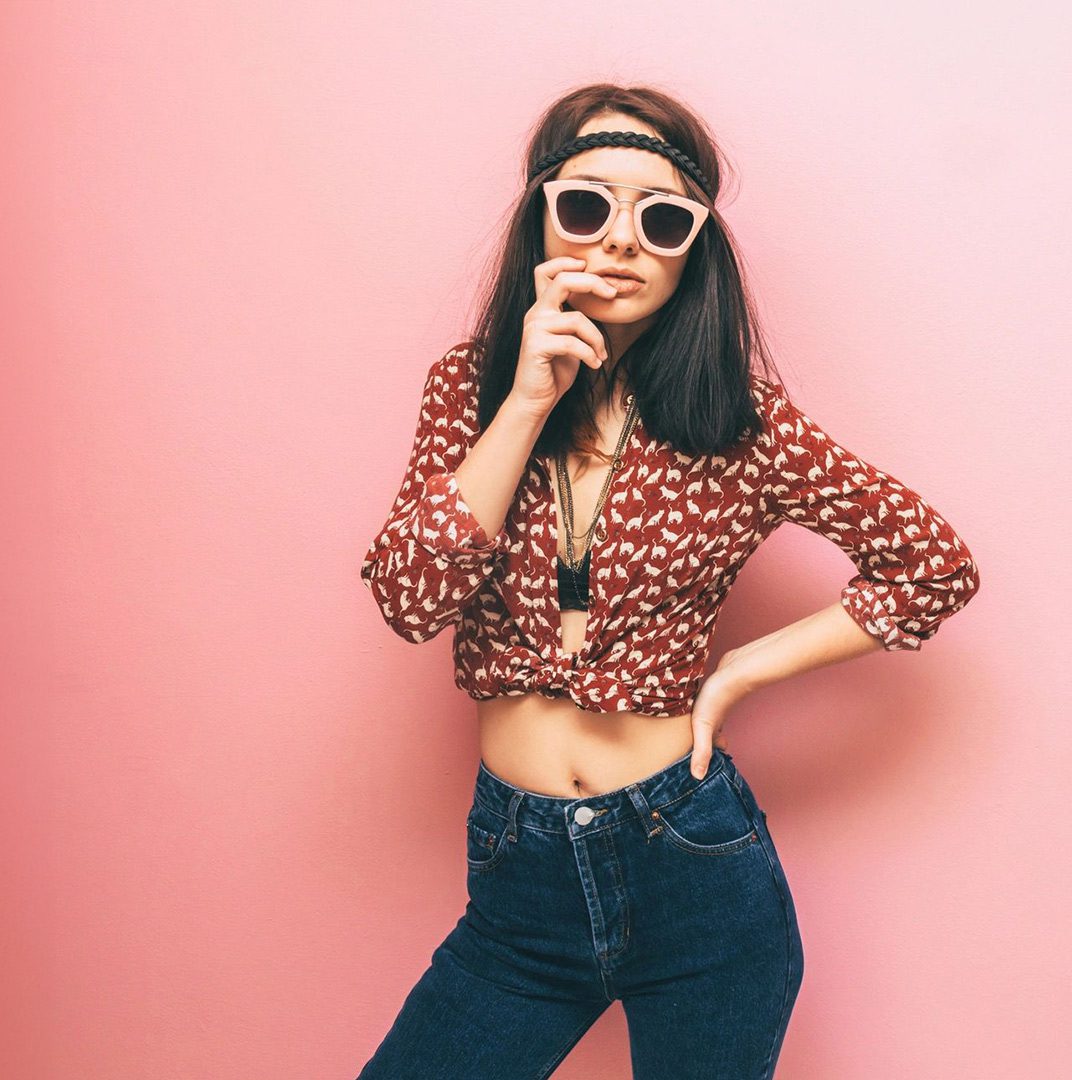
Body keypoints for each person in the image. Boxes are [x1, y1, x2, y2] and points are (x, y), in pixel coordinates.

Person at [354, 84, 980, 1080]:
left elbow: (932, 565)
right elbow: (409, 600)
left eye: (662, 219)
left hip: (692, 868)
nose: (620, 242)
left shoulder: (739, 419)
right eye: (589, 205)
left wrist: (740, 672)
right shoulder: (465, 390)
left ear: (694, 250)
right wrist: (522, 403)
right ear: (542, 218)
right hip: (521, 884)